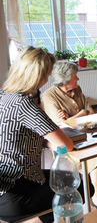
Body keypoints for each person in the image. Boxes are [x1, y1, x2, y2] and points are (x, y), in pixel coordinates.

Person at [0, 47, 91, 223]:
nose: (48, 79)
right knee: (82, 185)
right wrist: (50, 141)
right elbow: (66, 145)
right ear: (39, 77)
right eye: (48, 75)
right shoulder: (25, 105)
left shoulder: (4, 96)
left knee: (65, 183)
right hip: (15, 191)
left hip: (6, 180)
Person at [41, 61, 97, 208]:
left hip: (88, 132)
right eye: (75, 77)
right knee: (96, 155)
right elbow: (60, 125)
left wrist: (73, 116)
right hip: (68, 139)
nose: (77, 79)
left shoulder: (77, 89)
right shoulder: (49, 96)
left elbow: (90, 112)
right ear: (65, 80)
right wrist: (81, 113)